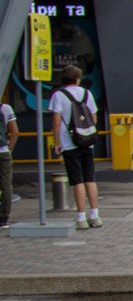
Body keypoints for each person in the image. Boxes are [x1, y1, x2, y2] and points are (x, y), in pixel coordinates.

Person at [49, 65, 102, 230]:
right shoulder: (87, 93)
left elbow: (56, 122)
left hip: (69, 143)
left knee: (77, 180)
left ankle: (81, 218)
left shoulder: (58, 95)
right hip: (87, 141)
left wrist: (57, 143)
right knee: (90, 179)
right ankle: (95, 215)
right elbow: (93, 119)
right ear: (78, 78)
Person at [0, 97, 17, 229]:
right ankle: (3, 218)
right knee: (6, 185)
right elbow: (15, 131)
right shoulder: (5, 108)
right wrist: (9, 148)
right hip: (3, 151)